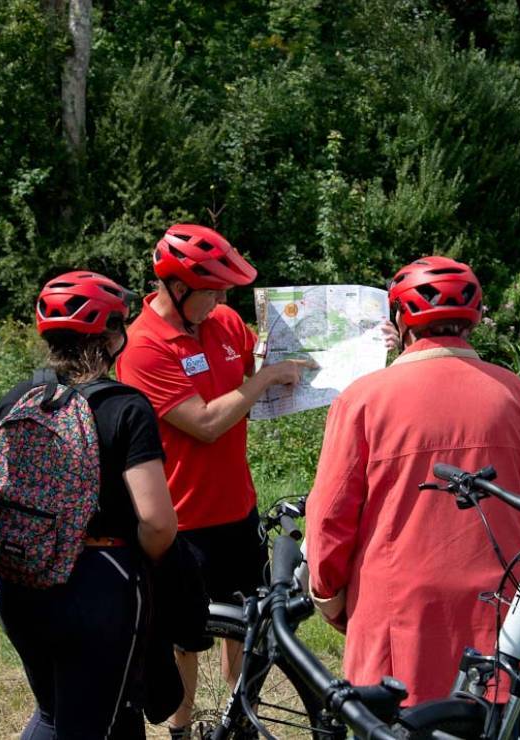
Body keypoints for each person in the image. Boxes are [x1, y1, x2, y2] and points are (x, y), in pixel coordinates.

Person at [305, 256, 520, 705]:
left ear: (400, 321)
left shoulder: (363, 399)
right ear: (473, 320)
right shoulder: (515, 394)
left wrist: (329, 597)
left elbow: (330, 517)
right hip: (498, 618)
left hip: (395, 623)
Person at [114, 224, 311, 735]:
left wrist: (367, 345)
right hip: (182, 522)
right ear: (176, 289)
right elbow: (203, 423)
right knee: (184, 640)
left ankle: (238, 718)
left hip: (236, 510)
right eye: (214, 289)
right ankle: (181, 731)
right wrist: (264, 379)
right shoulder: (143, 348)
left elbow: (272, 368)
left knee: (245, 629)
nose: (224, 299)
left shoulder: (223, 322)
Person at [0, 271, 178, 739]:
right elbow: (157, 523)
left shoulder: (15, 399)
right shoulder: (126, 407)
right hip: (98, 585)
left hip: (21, 579)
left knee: (53, 713)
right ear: (112, 335)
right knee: (98, 724)